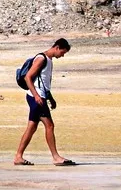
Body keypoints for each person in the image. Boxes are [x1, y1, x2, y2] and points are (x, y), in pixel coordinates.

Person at [13, 38, 75, 166]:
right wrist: (36, 96)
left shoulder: (49, 60)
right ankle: (56, 157)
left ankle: (18, 156)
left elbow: (44, 82)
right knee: (49, 125)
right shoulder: (41, 59)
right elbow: (28, 77)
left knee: (32, 127)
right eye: (62, 53)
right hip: (37, 98)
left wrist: (50, 98)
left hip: (40, 97)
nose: (62, 56)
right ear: (57, 47)